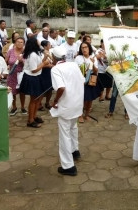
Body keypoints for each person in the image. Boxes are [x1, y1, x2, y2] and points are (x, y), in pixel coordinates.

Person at [50, 46, 85, 176]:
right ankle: (75, 150)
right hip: (76, 104)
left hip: (66, 106)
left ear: (54, 57)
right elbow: (82, 82)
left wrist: (55, 101)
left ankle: (68, 166)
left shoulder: (55, 69)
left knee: (64, 133)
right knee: (73, 127)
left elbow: (61, 88)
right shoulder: (74, 65)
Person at [19, 37, 51, 128]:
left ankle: (34, 116)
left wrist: (45, 57)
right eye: (38, 42)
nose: (39, 44)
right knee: (34, 100)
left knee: (38, 98)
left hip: (36, 77)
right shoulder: (32, 54)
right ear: (34, 44)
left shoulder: (36, 53)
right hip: (31, 77)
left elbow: (39, 63)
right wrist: (44, 64)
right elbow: (34, 69)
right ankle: (30, 120)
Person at [75, 41, 101, 123]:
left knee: (90, 99)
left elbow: (96, 71)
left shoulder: (93, 57)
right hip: (81, 80)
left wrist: (92, 63)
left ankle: (86, 115)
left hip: (91, 80)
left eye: (85, 47)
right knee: (81, 99)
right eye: (82, 48)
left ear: (89, 48)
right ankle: (80, 116)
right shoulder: (78, 58)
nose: (84, 49)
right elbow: (75, 70)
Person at [5, 36, 27, 116]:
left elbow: (28, 65)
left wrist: (22, 61)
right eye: (18, 42)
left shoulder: (25, 52)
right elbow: (6, 61)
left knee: (22, 92)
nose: (19, 43)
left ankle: (23, 107)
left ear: (24, 44)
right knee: (12, 92)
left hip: (21, 74)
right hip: (12, 75)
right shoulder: (10, 51)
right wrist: (7, 66)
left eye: (21, 42)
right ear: (15, 43)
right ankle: (14, 107)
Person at [39, 40, 53, 110]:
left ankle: (47, 102)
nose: (50, 45)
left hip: (50, 72)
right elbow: (39, 65)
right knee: (42, 89)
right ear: (44, 46)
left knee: (50, 89)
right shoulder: (41, 54)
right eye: (49, 44)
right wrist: (47, 66)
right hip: (43, 72)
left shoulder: (50, 52)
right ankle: (39, 103)